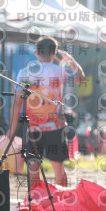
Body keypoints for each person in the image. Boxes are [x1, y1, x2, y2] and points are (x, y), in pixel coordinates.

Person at [8, 37, 84, 188]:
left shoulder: (24, 73)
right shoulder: (60, 71)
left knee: (33, 168)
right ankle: (62, 198)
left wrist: (12, 129)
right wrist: (69, 59)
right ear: (54, 54)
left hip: (32, 128)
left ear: (36, 53)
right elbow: (80, 77)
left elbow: (17, 104)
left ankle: (36, 199)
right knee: (59, 168)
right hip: (55, 128)